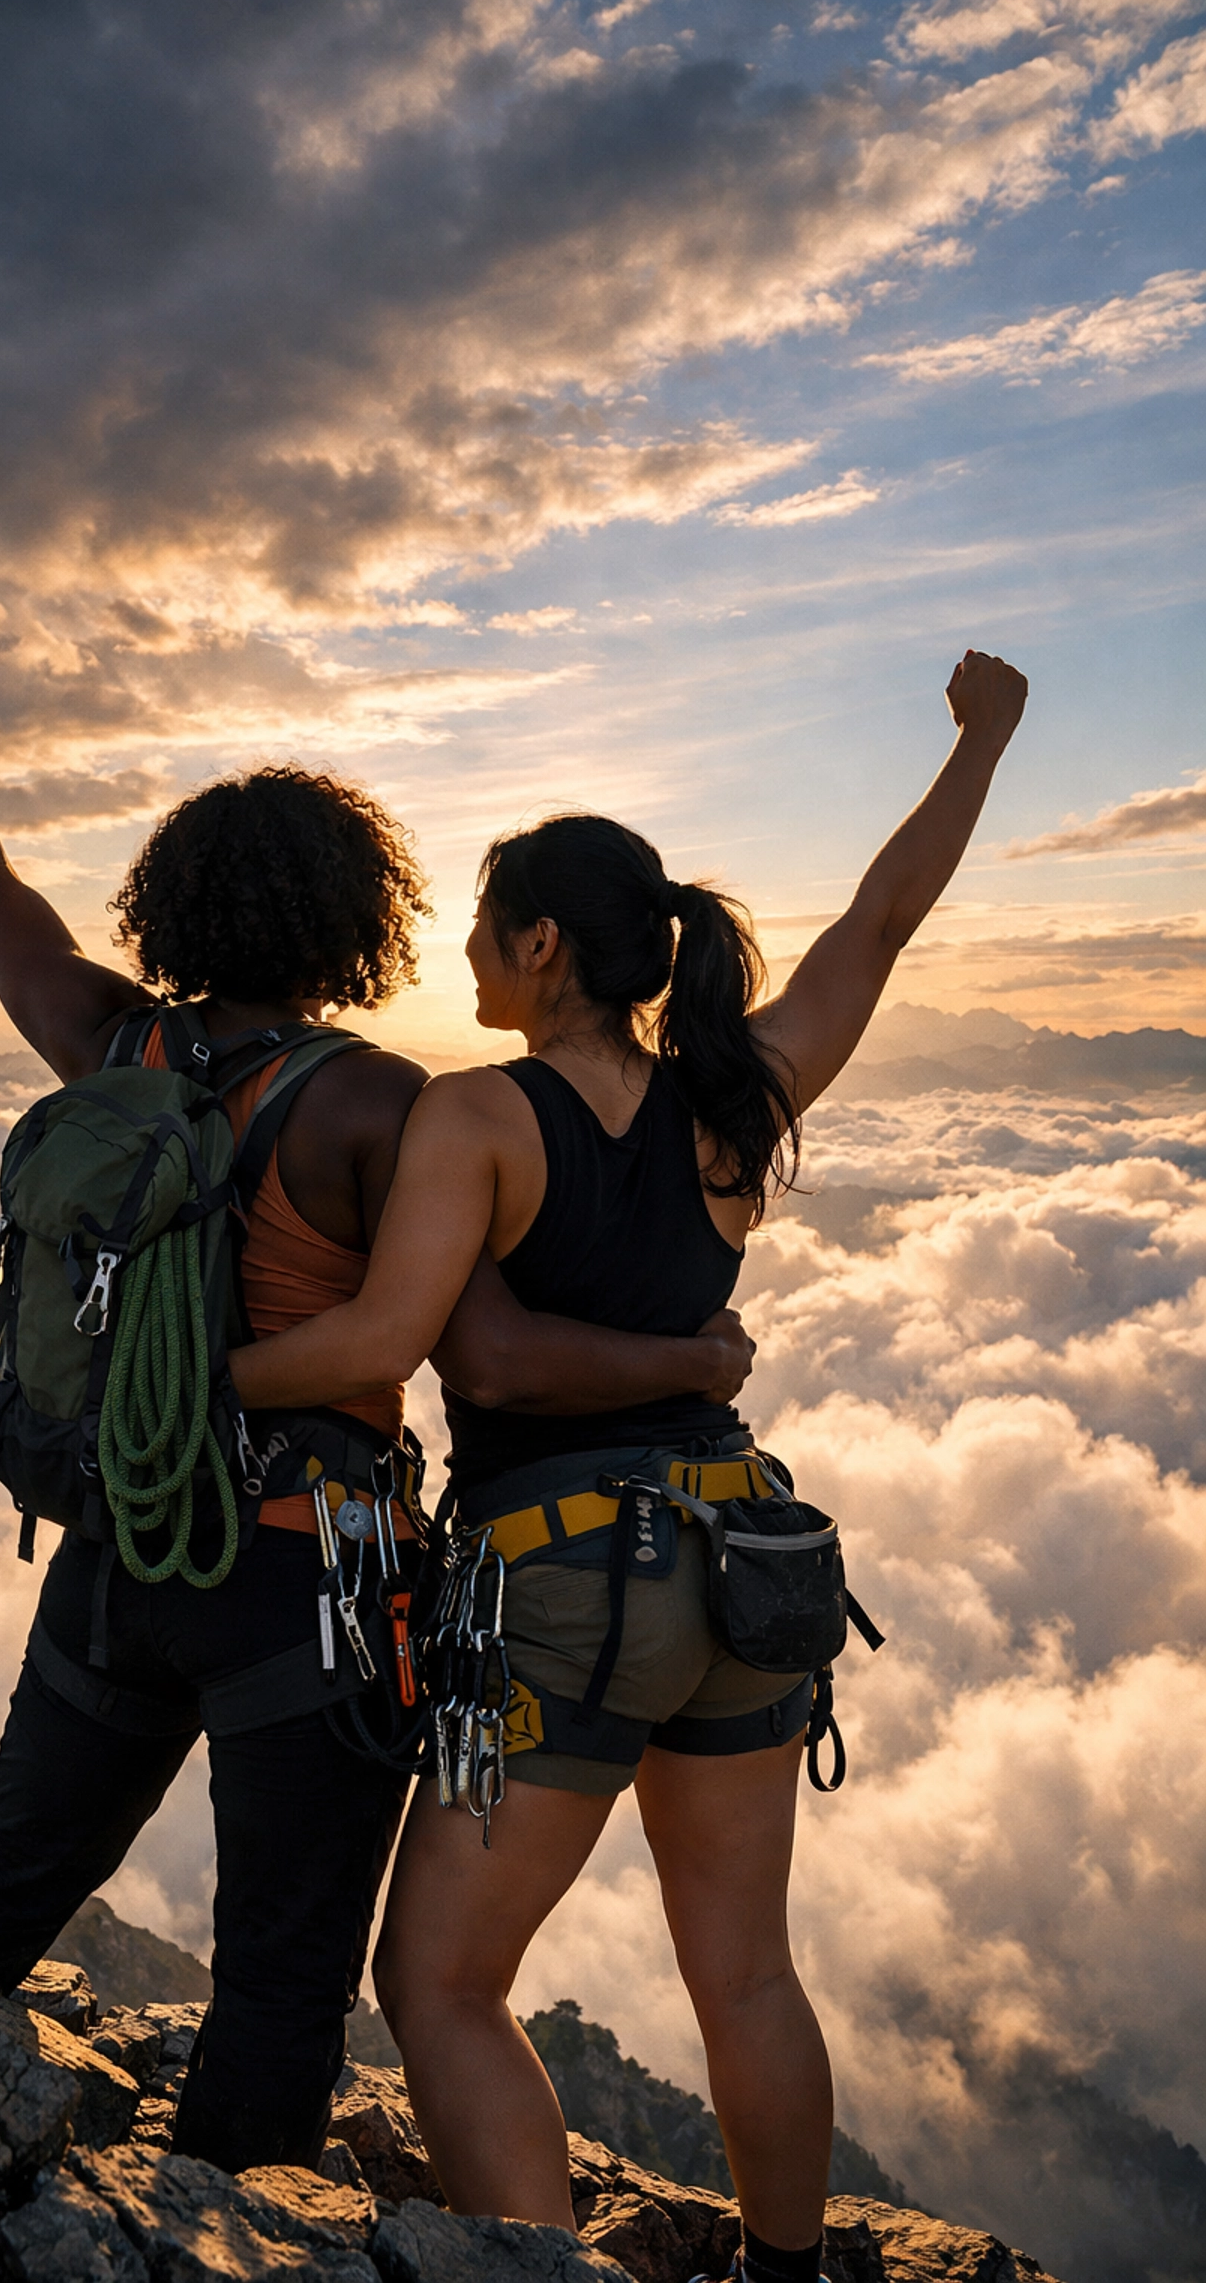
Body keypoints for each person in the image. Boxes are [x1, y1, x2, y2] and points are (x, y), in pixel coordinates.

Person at [0, 620, 760, 2175]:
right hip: (306, 1581)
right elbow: (490, 1357)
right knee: (280, 1980)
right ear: (354, 922)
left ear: (175, 904)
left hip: (123, 1545)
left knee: (8, 1874)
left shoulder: (107, 1043)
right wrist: (691, 1362)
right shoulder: (381, 1105)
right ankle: (228, 2225)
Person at [227, 650, 1029, 2278]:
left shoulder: (480, 1118)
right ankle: (785, 2273)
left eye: (483, 927)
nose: (465, 954)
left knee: (441, 1982)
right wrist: (984, 743)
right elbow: (879, 926)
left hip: (569, 1581)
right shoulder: (735, 1101)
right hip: (747, 1563)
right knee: (747, 1974)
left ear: (542, 945)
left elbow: (412, 1348)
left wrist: (202, 1377)